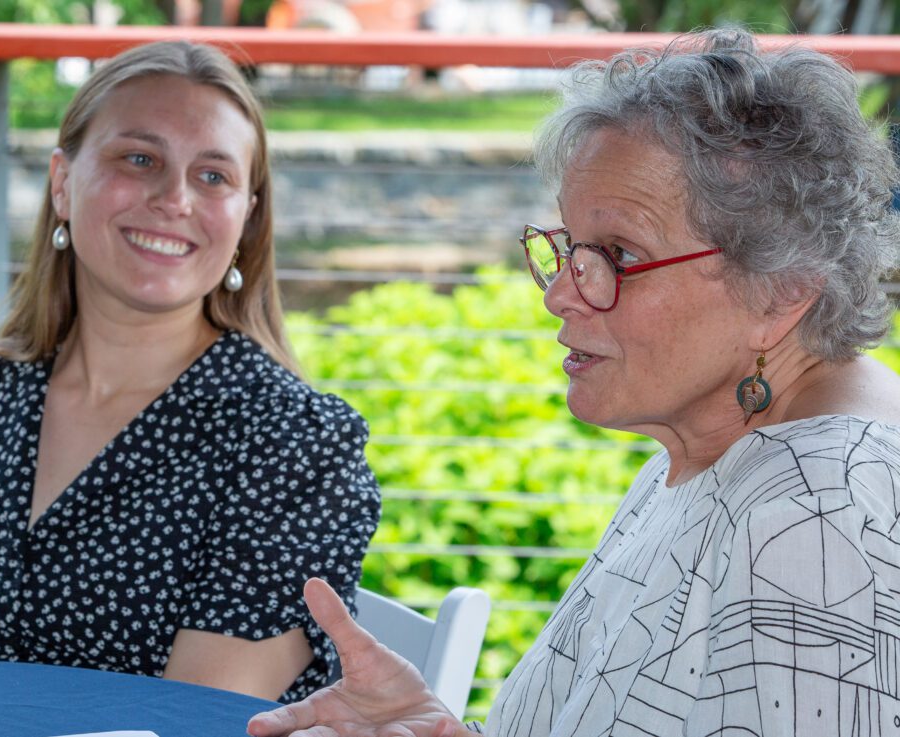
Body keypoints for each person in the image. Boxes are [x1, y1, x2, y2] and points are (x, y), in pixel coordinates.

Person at [248, 28, 900, 735]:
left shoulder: (818, 520)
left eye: (619, 254)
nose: (561, 292)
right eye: (567, 247)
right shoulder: (707, 452)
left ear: (781, 290)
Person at [0, 40, 380, 704]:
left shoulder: (293, 444)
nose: (174, 198)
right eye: (138, 159)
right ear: (62, 182)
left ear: (247, 216)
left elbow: (195, 719)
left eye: (213, 176)